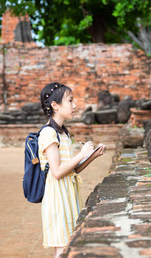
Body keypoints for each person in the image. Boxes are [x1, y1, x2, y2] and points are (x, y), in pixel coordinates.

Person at [38, 82, 106, 258]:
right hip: (57, 196)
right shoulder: (48, 134)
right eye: (69, 101)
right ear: (55, 105)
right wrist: (81, 153)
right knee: (62, 246)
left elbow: (72, 170)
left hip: (69, 192)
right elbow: (57, 172)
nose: (74, 105)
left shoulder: (63, 133)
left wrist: (92, 155)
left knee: (71, 240)